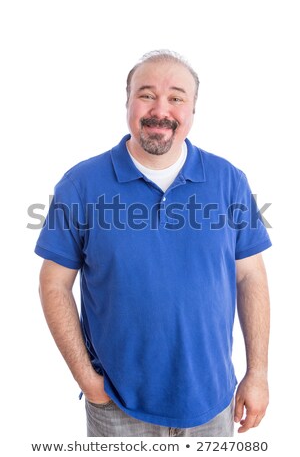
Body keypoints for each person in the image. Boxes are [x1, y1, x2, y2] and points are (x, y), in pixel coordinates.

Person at [35, 50, 271, 437]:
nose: (161, 109)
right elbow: (53, 283)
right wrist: (86, 379)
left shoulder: (229, 181)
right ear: (127, 102)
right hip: (117, 407)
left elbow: (251, 279)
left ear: (193, 109)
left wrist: (257, 373)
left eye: (176, 97)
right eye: (146, 94)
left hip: (213, 405)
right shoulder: (81, 185)